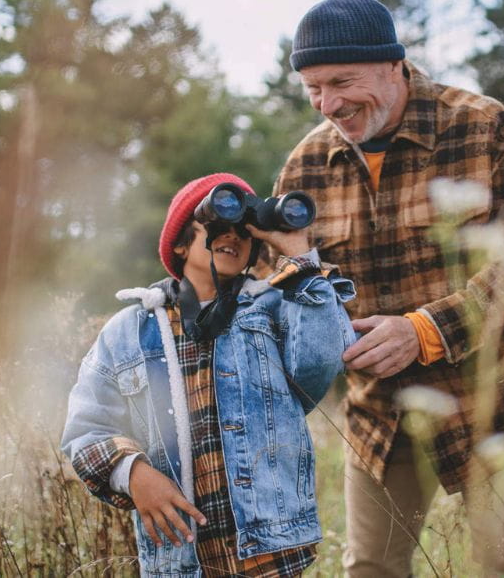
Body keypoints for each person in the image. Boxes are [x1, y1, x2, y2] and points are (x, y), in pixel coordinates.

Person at [274, 0, 504, 576]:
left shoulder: (482, 127)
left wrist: (425, 331)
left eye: (341, 81)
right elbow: (285, 289)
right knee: (369, 571)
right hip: (378, 417)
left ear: (393, 63)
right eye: (313, 89)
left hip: (493, 407)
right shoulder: (304, 167)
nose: (328, 103)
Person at [61, 173, 355, 577]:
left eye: (245, 231)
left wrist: (300, 260)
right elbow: (86, 430)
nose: (233, 236)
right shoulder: (128, 332)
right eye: (217, 225)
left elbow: (322, 359)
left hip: (268, 552)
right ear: (180, 243)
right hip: (180, 558)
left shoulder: (273, 310)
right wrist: (133, 473)